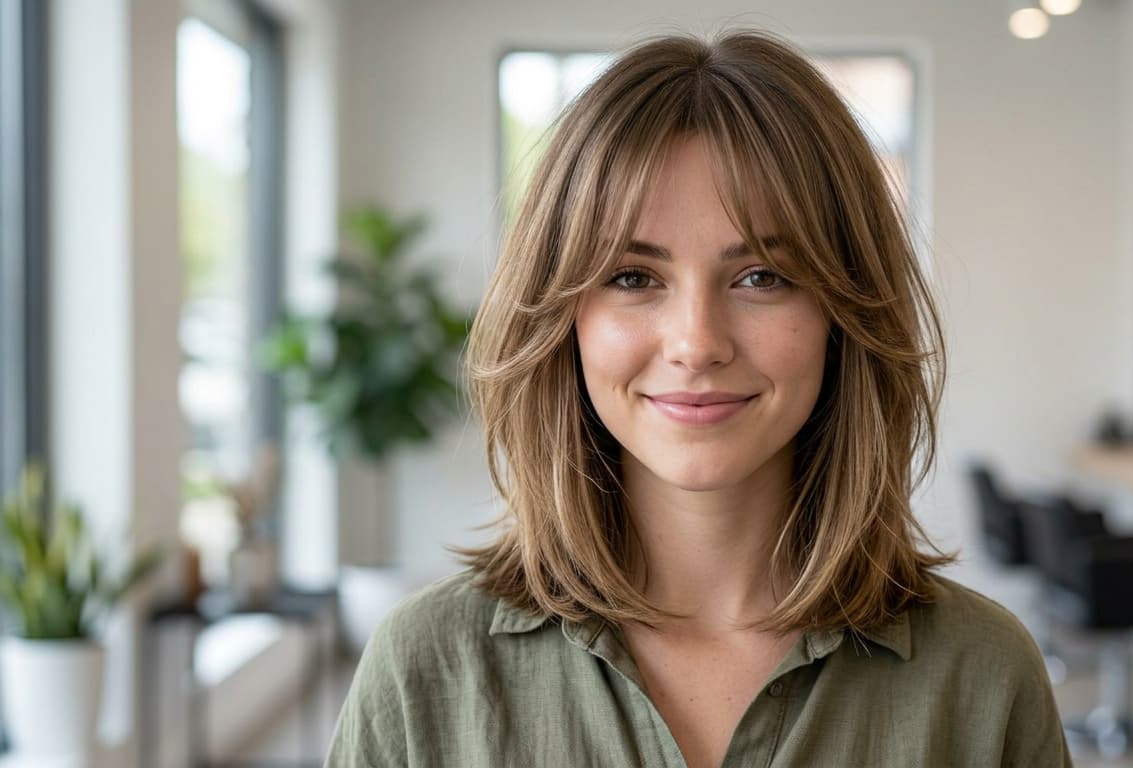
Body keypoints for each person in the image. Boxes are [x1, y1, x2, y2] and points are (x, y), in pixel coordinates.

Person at [326, 29, 1071, 768]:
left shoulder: (984, 678)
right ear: (563, 319)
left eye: (761, 277)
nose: (696, 342)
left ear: (843, 316)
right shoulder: (424, 674)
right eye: (632, 277)